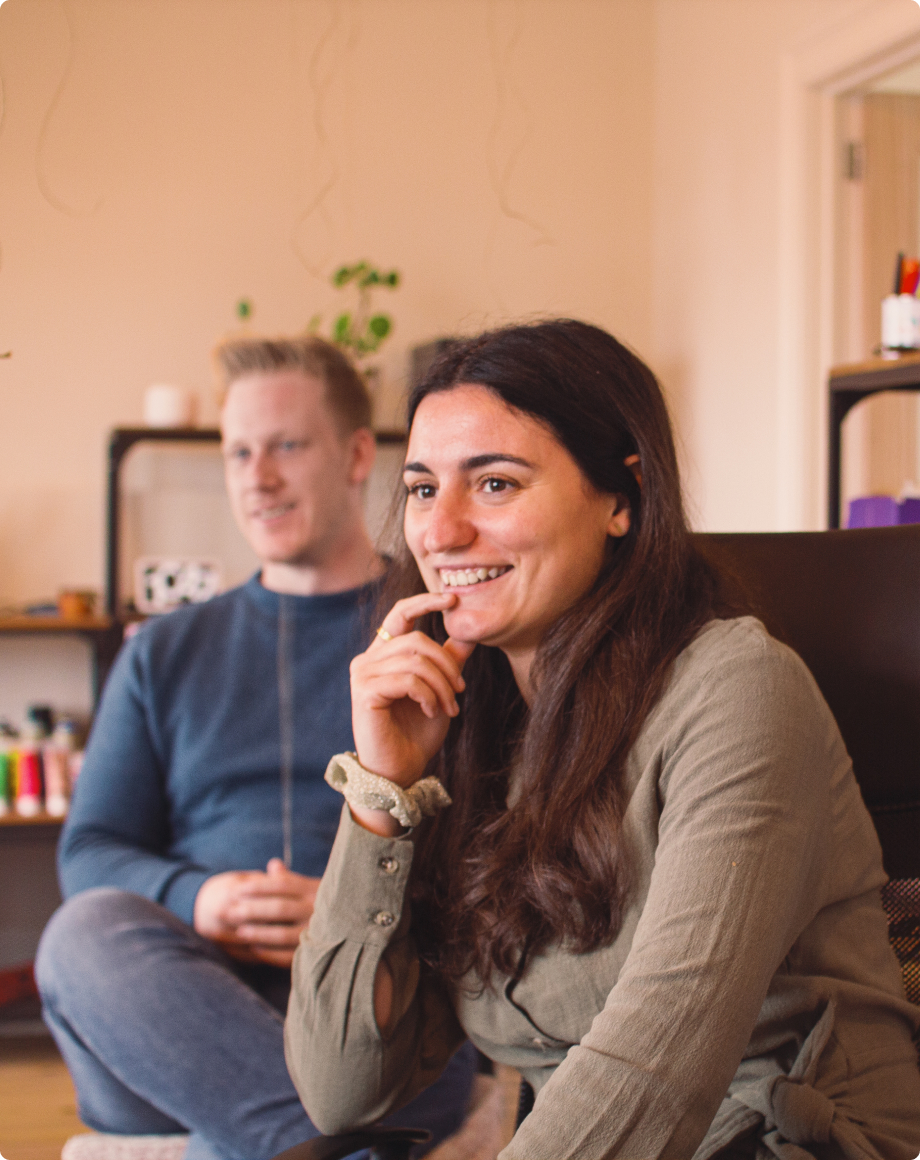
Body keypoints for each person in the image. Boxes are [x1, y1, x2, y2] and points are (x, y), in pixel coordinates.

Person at [284, 320, 920, 1160]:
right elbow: (341, 1091)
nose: (438, 533)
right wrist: (382, 792)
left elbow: (658, 1059)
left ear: (623, 497)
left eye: (497, 484)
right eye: (424, 488)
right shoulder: (464, 729)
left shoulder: (738, 690)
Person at [36, 336, 476, 1160]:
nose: (256, 476)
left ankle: (288, 1140)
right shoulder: (161, 652)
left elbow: (496, 858)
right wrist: (198, 899)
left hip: (373, 1007)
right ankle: (337, 1147)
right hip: (173, 1016)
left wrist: (358, 908)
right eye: (239, 451)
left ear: (353, 455)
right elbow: (89, 852)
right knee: (79, 935)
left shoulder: (439, 634)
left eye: (285, 446)